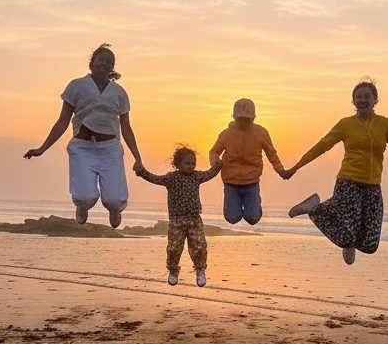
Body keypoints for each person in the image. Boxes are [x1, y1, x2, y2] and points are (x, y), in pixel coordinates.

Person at [284, 80, 388, 265]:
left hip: (373, 187)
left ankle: (331, 210)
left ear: (375, 100)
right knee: (346, 237)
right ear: (353, 101)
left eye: (367, 97)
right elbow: (321, 146)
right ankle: (314, 209)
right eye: (358, 97)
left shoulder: (385, 124)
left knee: (370, 245)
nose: (362, 100)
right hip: (349, 183)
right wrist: (295, 167)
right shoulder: (345, 124)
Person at [24, 44, 142, 227]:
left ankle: (114, 209)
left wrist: (137, 158)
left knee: (113, 199)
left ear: (113, 68)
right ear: (92, 63)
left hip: (109, 148)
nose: (104, 64)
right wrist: (42, 148)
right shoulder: (77, 86)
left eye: (109, 62)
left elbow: (126, 127)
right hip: (83, 146)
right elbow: (62, 121)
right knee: (84, 196)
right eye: (101, 60)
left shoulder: (119, 93)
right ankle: (82, 206)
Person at [134, 146, 222, 286]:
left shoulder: (197, 176)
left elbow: (210, 173)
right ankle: (173, 270)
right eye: (187, 163)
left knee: (199, 246)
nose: (191, 166)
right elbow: (154, 178)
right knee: (174, 247)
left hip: (194, 219)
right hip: (176, 220)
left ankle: (200, 269)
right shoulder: (171, 178)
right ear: (177, 164)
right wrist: (142, 172)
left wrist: (218, 165)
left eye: (193, 163)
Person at [208, 98, 288, 226]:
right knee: (232, 218)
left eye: (246, 119)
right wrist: (215, 164)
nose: (243, 122)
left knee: (253, 219)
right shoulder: (226, 134)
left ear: (253, 118)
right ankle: (238, 206)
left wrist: (280, 170)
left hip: (251, 182)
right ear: (234, 118)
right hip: (231, 182)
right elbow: (213, 151)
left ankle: (253, 207)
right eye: (240, 119)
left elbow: (271, 153)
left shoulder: (261, 132)